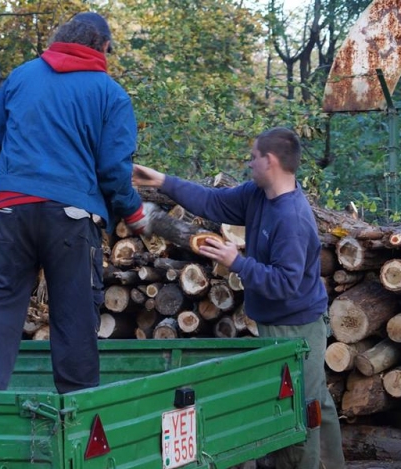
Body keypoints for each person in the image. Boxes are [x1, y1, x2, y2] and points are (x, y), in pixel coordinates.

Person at [132, 127, 345, 469]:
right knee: (314, 400)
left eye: (253, 157)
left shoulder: (291, 218)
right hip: (278, 322)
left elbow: (285, 284)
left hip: (295, 328)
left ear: (270, 161)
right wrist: (161, 180)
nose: (249, 163)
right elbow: (212, 202)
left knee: (300, 410)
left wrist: (237, 262)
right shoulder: (258, 195)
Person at [0, 11, 149, 394]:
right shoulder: (109, 93)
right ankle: (77, 414)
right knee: (74, 316)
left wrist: (21, 169)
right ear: (104, 47)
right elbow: (114, 170)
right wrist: (132, 210)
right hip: (71, 216)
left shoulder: (22, 76)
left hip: (10, 210)